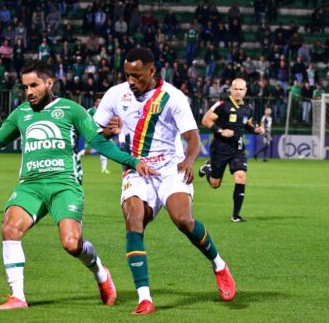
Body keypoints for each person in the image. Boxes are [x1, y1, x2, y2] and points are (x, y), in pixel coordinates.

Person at [0, 59, 156, 310]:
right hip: (30, 185)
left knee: (71, 243)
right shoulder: (20, 114)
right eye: (25, 87)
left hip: (64, 185)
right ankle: (18, 296)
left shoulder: (71, 110)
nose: (29, 92)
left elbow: (98, 143)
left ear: (49, 82)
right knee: (10, 229)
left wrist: (132, 161)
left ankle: (100, 271)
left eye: (34, 85)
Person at [93, 47, 236, 315]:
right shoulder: (115, 95)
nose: (131, 81)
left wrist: (189, 161)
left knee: (183, 219)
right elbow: (94, 135)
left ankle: (219, 264)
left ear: (151, 71)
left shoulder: (173, 97)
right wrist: (106, 131)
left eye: (137, 75)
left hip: (171, 167)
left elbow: (193, 138)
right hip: (136, 168)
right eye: (127, 75)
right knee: (134, 219)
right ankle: (144, 298)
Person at [199, 78, 263, 222]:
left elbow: (247, 124)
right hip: (220, 148)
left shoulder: (248, 109)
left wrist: (256, 130)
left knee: (241, 177)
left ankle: (236, 215)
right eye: (236, 89)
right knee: (215, 184)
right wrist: (221, 130)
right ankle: (207, 168)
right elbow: (206, 120)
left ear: (245, 91)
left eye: (241, 89)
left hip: (238, 149)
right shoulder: (222, 105)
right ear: (231, 90)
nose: (238, 92)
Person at [77, 97, 110, 174]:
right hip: (91, 133)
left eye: (100, 102)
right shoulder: (90, 111)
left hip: (101, 133)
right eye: (98, 101)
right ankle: (78, 156)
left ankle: (104, 169)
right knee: (87, 151)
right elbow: (84, 119)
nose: (99, 103)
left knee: (104, 150)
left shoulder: (104, 111)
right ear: (95, 103)